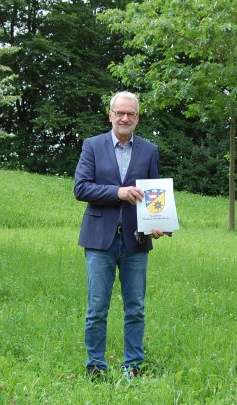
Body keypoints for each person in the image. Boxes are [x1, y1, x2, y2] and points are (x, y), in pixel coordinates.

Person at [74, 91, 165, 379]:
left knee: (135, 308)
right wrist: (118, 192)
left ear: (138, 118)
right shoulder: (92, 146)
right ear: (110, 114)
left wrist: (157, 221)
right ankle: (96, 366)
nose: (125, 118)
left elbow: (154, 194)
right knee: (97, 308)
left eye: (131, 114)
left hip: (136, 240)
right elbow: (81, 188)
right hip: (99, 239)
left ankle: (132, 366)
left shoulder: (149, 150)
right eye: (120, 113)